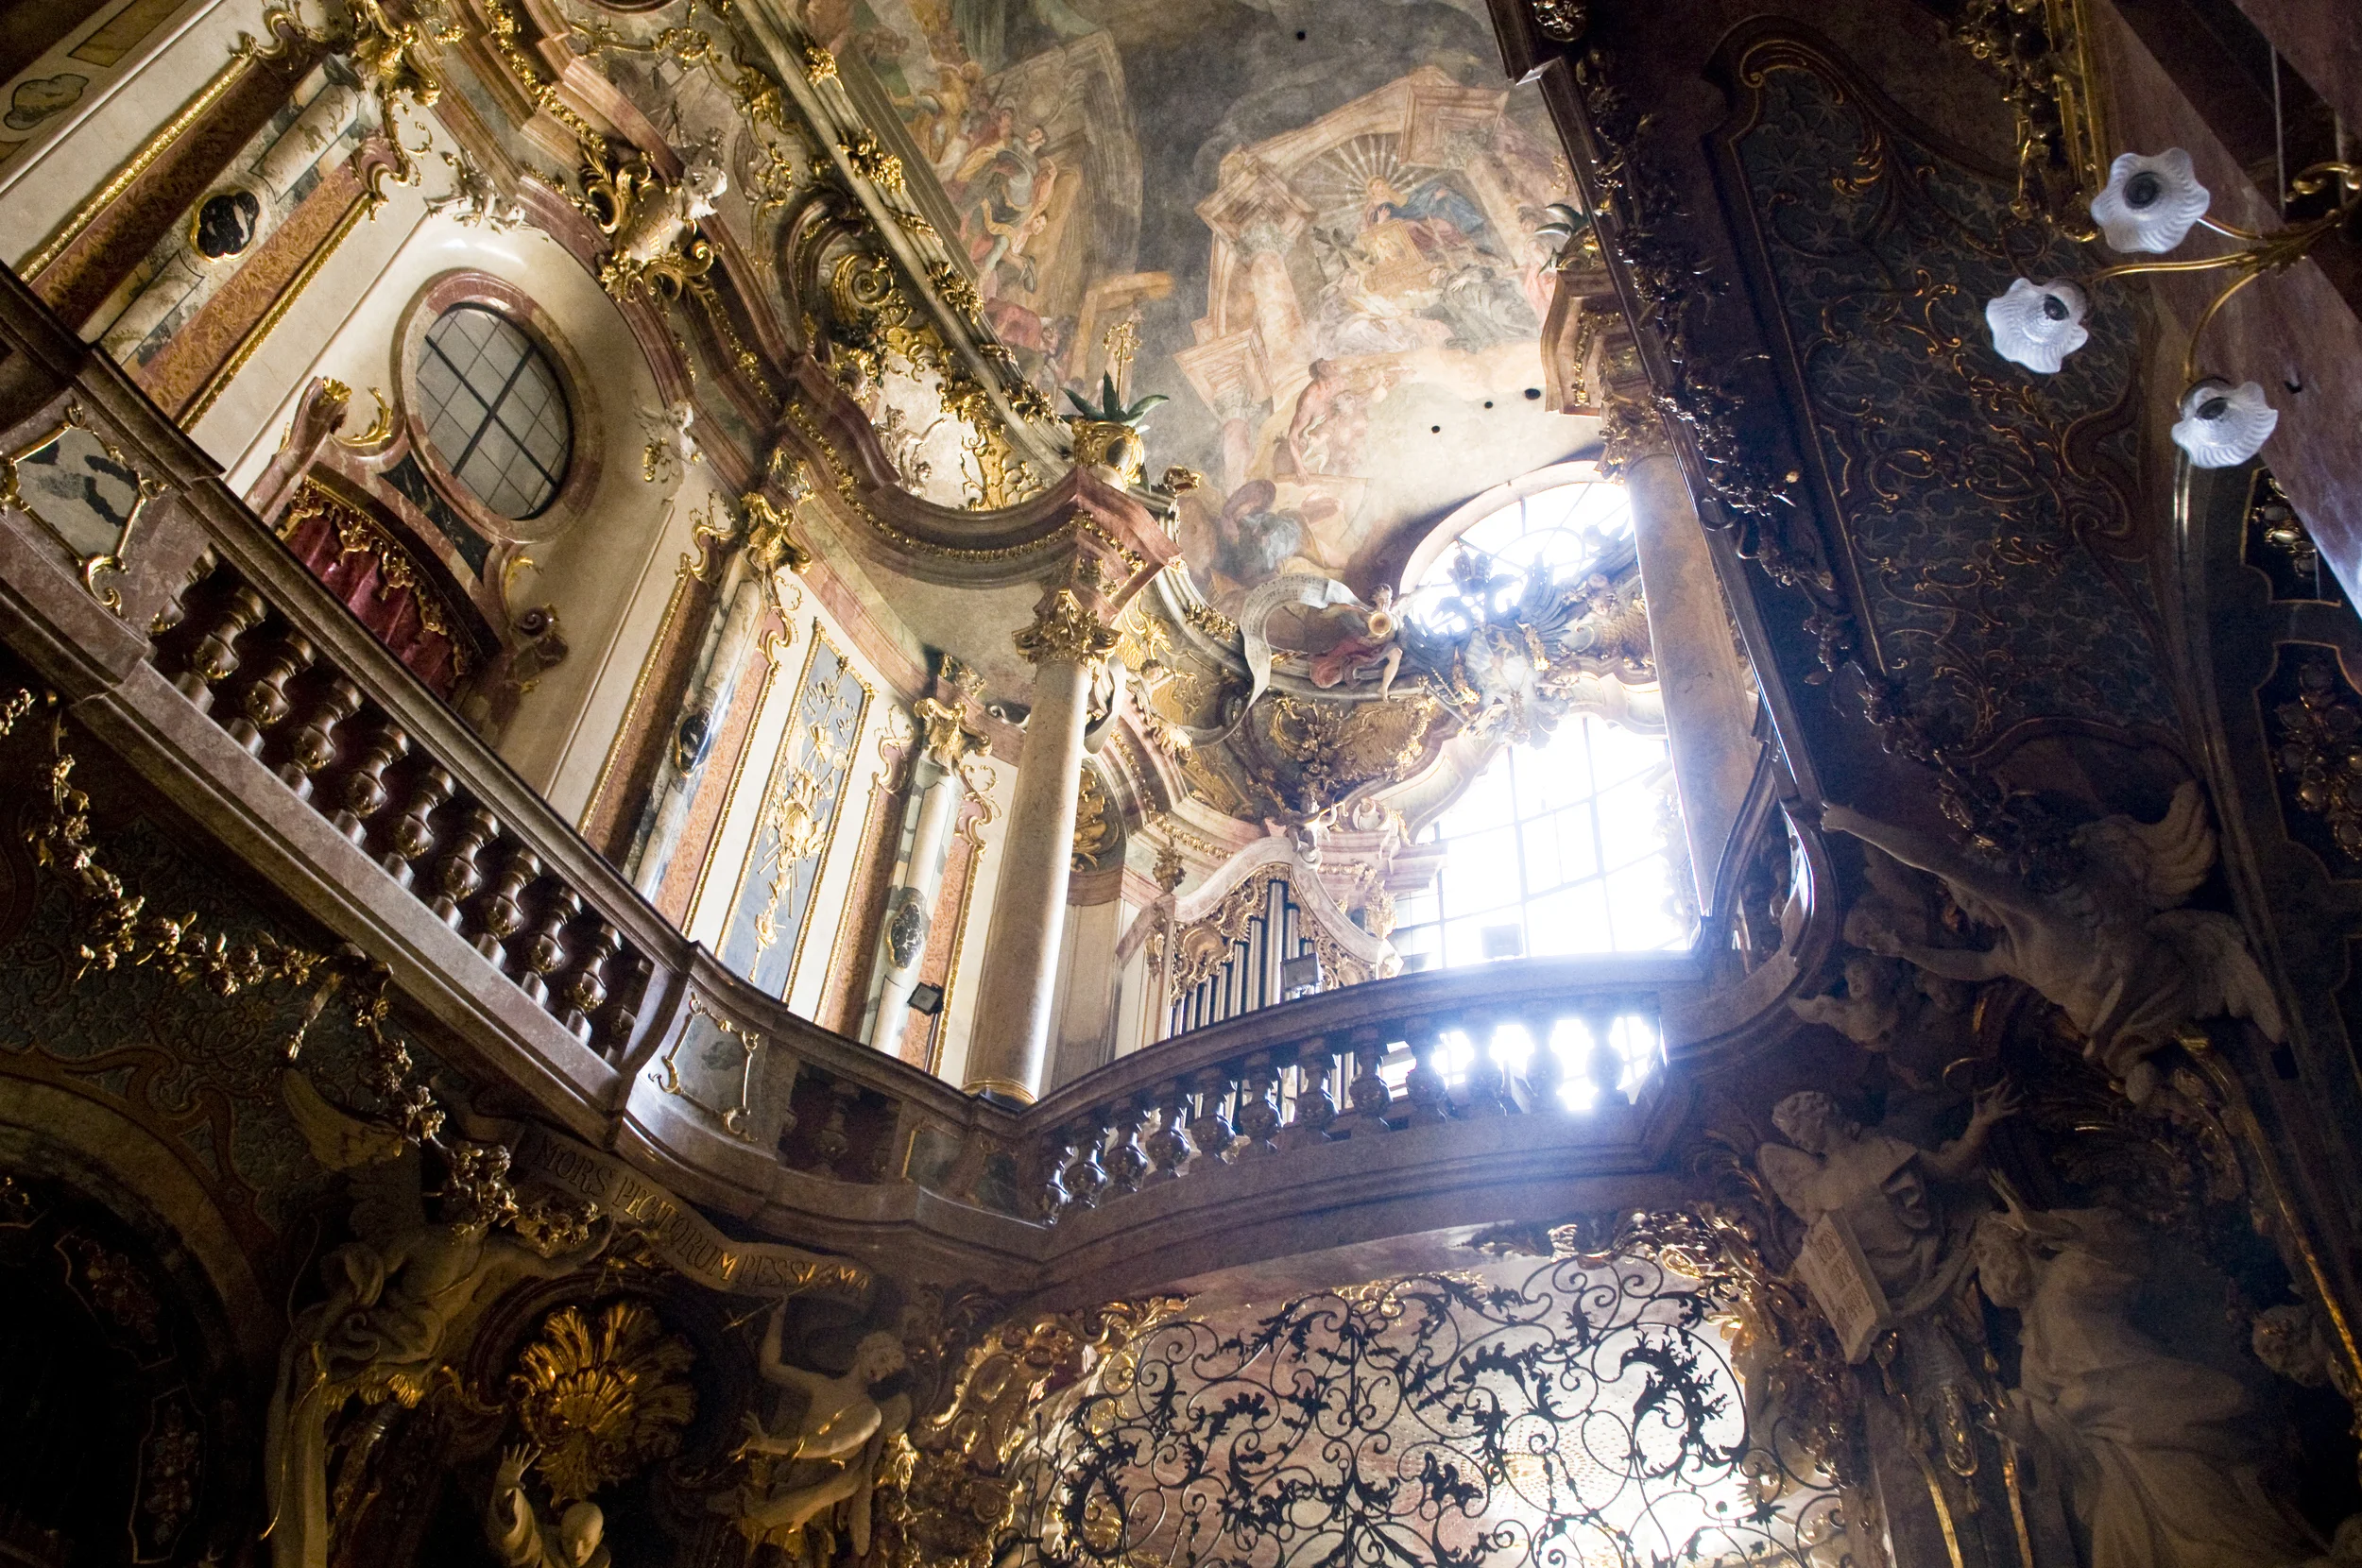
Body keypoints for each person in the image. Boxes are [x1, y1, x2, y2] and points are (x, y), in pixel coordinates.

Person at [1974, 1201, 2324, 1568]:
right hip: (2110, 1470)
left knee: (2207, 1523)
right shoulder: (2029, 1353)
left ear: (2016, 1244)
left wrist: (2053, 1226)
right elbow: (2057, 1440)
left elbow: (2125, 1250)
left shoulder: (2066, 1280)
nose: (1988, 1272)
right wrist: (2029, 1434)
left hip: (2153, 1421)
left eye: (1989, 1255)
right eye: (1982, 1265)